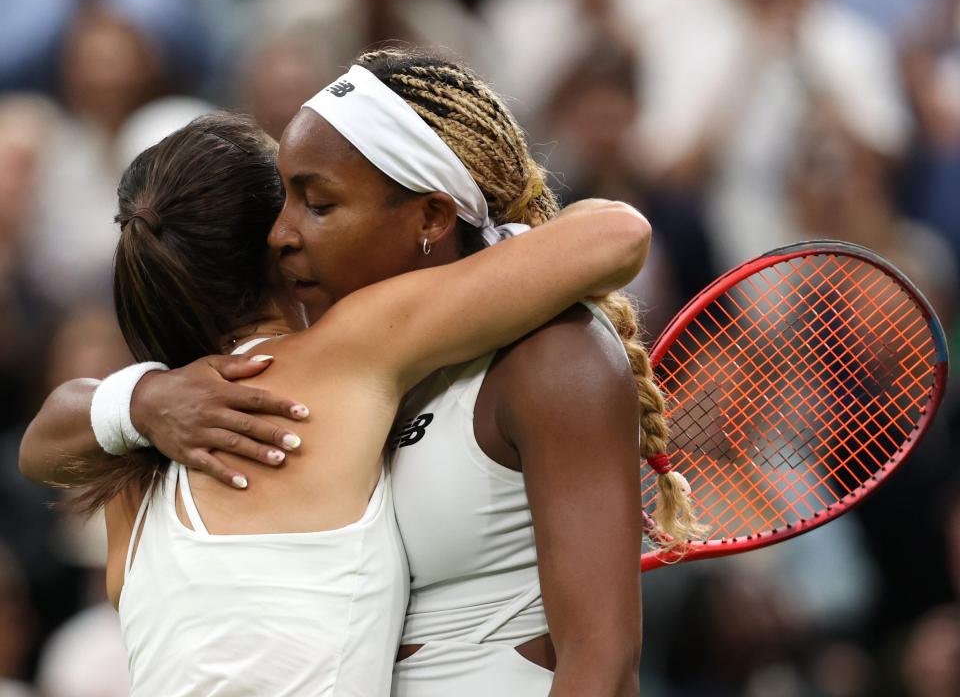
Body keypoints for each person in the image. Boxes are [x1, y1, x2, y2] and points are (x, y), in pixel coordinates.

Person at [22, 48, 699, 696]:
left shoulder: (547, 358)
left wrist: (139, 399)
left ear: (432, 214)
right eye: (282, 201)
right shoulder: (346, 371)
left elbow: (604, 666)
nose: (283, 235)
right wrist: (145, 399)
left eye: (316, 203)